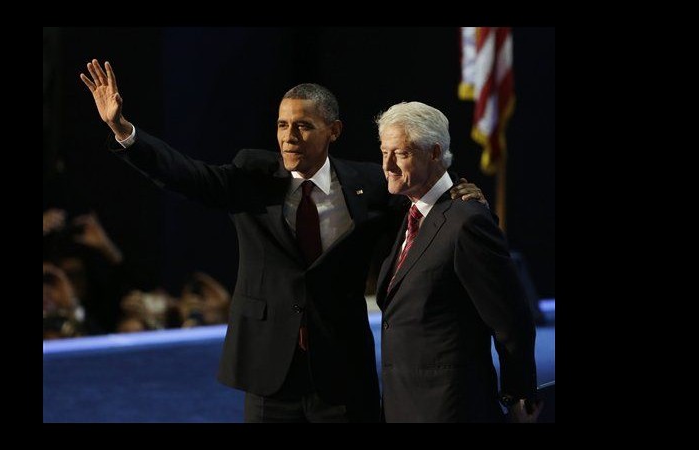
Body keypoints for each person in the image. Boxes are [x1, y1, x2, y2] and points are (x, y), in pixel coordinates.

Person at [79, 59, 485, 422]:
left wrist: (459, 196)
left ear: (334, 131)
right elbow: (186, 174)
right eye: (282, 125)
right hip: (269, 372)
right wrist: (123, 130)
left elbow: (424, 208)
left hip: (342, 371)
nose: (289, 136)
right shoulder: (251, 177)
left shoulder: (370, 184)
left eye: (304, 125)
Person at [374, 101, 541, 422]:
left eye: (401, 153)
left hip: (450, 409)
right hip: (403, 405)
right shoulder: (412, 211)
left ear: (434, 153)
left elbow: (512, 321)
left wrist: (519, 395)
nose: (388, 165)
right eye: (384, 152)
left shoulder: (466, 222)